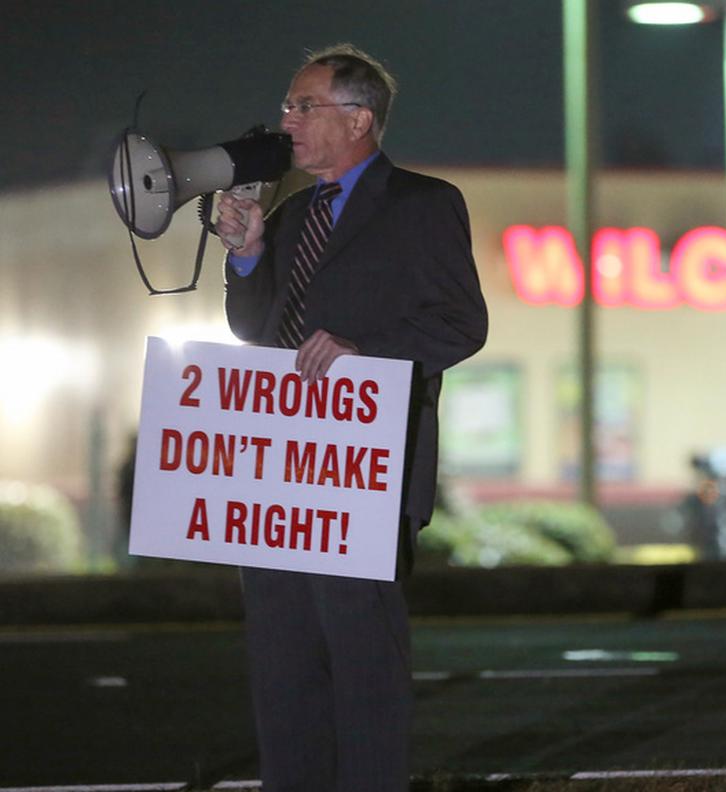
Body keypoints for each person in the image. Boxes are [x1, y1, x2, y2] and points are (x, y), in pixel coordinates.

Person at [216, 44, 488, 792]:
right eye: (288, 105)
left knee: (363, 664)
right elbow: (255, 328)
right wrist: (245, 255)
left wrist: (364, 353)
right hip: (280, 476)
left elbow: (460, 324)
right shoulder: (294, 210)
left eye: (305, 106)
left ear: (359, 118)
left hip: (360, 474)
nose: (287, 121)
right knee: (283, 666)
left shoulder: (423, 204)